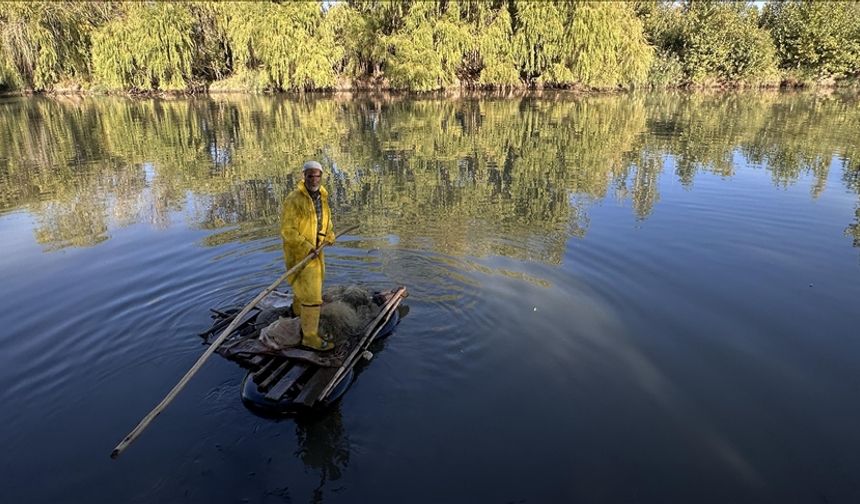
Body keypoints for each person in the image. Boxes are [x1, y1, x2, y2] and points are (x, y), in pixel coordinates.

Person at [280, 160, 336, 351]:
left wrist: (329, 235)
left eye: (317, 175)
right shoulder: (293, 199)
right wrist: (306, 246)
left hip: (317, 251)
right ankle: (310, 337)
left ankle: (297, 314)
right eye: (310, 175)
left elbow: (325, 220)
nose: (314, 179)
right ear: (304, 176)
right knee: (312, 295)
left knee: (303, 287)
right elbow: (288, 231)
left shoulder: (322, 196)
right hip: (300, 253)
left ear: (321, 176)